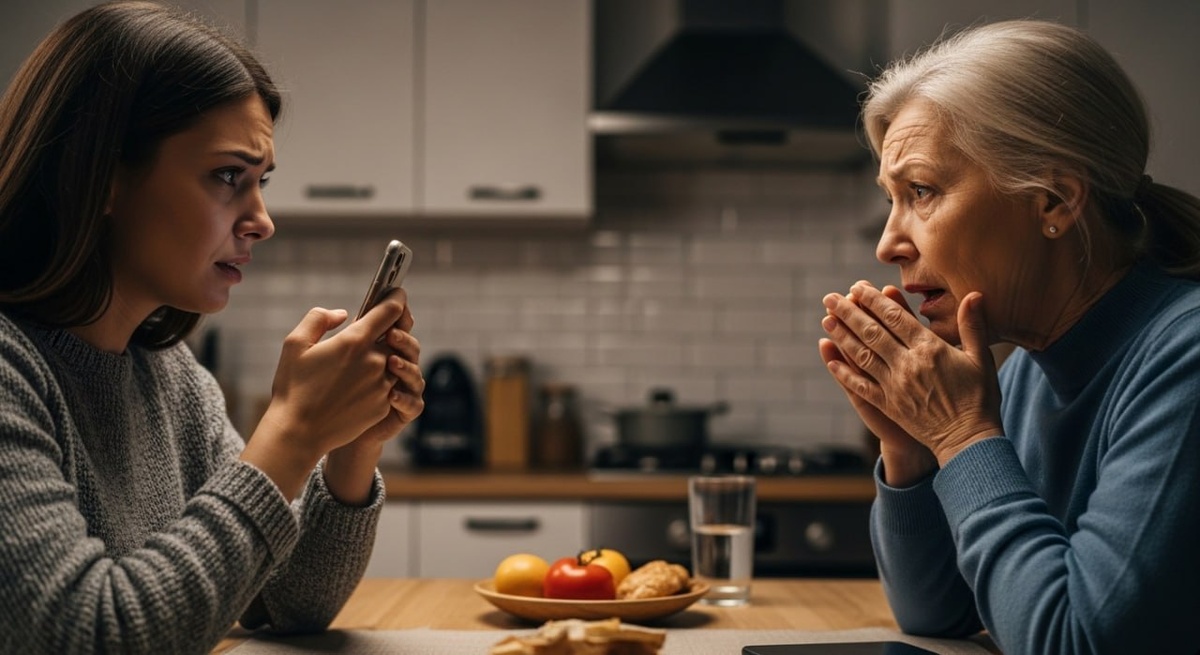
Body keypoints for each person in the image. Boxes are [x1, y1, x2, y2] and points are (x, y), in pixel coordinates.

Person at [0, 2, 425, 653]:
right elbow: (86, 633)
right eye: (229, 176)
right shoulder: (11, 371)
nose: (262, 218)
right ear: (102, 177)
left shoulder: (169, 378)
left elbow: (285, 598)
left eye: (263, 182)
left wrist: (350, 446)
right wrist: (292, 430)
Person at [818, 19, 1200, 655]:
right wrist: (911, 450)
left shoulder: (1184, 359)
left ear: (1053, 200)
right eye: (893, 198)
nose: (888, 243)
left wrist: (963, 436)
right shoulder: (1026, 368)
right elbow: (937, 614)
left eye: (921, 192)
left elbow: (1075, 642)